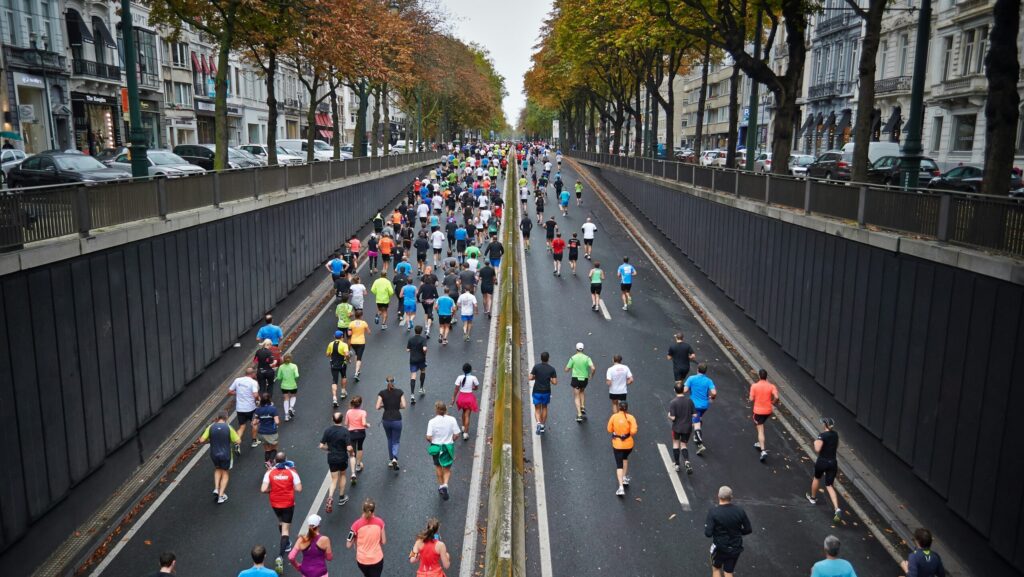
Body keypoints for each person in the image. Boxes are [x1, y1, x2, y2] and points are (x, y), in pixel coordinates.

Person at [704, 486, 752, 577]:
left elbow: (708, 533)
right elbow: (748, 529)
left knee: (716, 569)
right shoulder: (740, 511)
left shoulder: (714, 512)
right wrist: (738, 532)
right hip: (735, 547)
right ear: (731, 497)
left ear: (718, 496)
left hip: (720, 547)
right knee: (728, 572)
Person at [261, 452, 303, 558]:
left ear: (275, 461)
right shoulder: (292, 472)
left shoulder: (269, 472)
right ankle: (280, 555)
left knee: (280, 522)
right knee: (285, 529)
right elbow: (299, 489)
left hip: (275, 502)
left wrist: (271, 490)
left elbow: (263, 489)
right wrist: (288, 487)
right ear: (286, 460)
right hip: (288, 503)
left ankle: (287, 544)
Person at [806, 417, 843, 523]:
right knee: (829, 485)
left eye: (823, 423)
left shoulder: (822, 436)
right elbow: (836, 446)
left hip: (822, 462)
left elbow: (817, 449)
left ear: (825, 425)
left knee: (817, 478)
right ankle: (837, 509)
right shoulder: (835, 435)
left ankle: (813, 498)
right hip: (833, 463)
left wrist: (815, 442)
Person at [200, 411, 238, 504]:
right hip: (226, 454)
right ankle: (221, 496)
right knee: (225, 473)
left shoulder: (211, 427)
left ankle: (216, 489)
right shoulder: (229, 427)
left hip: (214, 454)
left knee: (217, 469)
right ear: (226, 418)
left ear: (217, 418)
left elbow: (201, 440)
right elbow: (238, 440)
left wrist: (210, 441)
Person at [426, 401, 461, 500]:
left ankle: (441, 486)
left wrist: (433, 441)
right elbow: (457, 434)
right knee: (447, 468)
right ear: (445, 409)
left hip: (437, 447)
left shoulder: (432, 422)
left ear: (436, 410)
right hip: (448, 447)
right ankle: (445, 484)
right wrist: (452, 440)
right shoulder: (452, 419)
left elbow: (428, 437)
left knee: (438, 466)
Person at [320, 412, 354, 512]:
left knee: (334, 479)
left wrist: (329, 449)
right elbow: (349, 447)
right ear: (342, 419)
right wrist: (351, 453)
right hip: (342, 457)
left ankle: (330, 497)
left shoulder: (327, 431)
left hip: (332, 457)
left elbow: (321, 445)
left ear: (332, 419)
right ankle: (341, 497)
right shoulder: (345, 431)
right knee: (343, 475)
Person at [684, 363, 716, 454]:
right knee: (699, 418)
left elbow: (685, 390)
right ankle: (696, 436)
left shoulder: (691, 378)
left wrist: (678, 390)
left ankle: (700, 444)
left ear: (697, 369)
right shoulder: (709, 381)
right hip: (704, 405)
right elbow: (714, 392)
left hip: (694, 405)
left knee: (696, 423)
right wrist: (711, 398)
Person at [607, 401, 638, 497]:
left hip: (617, 444)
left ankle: (621, 487)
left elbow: (609, 429)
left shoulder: (614, 417)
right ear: (627, 408)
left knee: (619, 465)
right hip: (628, 445)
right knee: (625, 458)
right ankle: (624, 477)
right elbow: (633, 431)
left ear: (619, 408)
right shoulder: (631, 418)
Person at [349, 499, 386, 577]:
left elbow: (348, 544)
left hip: (362, 560)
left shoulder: (355, 525)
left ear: (363, 509)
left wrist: (355, 538)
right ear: (374, 510)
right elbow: (384, 541)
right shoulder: (380, 522)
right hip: (377, 559)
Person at [749, 369, 780, 462]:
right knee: (760, 426)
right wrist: (773, 402)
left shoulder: (754, 386)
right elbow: (777, 397)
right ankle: (759, 442)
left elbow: (751, 399)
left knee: (760, 430)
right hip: (768, 411)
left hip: (758, 412)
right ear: (766, 376)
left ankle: (762, 450)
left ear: (759, 376)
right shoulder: (771, 386)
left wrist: (754, 397)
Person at [376, 376, 406, 470]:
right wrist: (396, 406)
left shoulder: (382, 393)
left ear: (386, 382)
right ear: (394, 382)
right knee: (396, 440)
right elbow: (404, 405)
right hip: (397, 419)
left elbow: (377, 406)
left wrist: (384, 405)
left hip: (386, 420)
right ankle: (395, 458)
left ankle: (391, 459)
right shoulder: (400, 392)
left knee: (389, 439)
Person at [668, 382, 697, 474]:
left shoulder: (673, 402)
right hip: (687, 427)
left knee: (676, 444)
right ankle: (687, 461)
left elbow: (673, 417)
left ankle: (677, 464)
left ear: (674, 390)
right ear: (683, 389)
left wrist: (669, 415)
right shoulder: (689, 401)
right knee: (684, 445)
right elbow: (695, 414)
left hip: (677, 427)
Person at [229, 368, 260, 450]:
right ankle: (254, 441)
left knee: (242, 426)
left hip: (240, 408)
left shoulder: (237, 380)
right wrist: (257, 400)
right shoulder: (253, 382)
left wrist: (237, 393)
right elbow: (255, 395)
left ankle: (237, 442)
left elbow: (230, 391)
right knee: (254, 423)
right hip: (251, 408)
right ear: (252, 374)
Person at [565, 342, 596, 423]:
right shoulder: (587, 358)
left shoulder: (573, 358)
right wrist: (591, 375)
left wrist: (570, 368)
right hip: (584, 378)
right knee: (582, 391)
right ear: (583, 349)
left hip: (575, 378)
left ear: (576, 348)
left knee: (576, 396)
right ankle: (582, 406)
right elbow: (593, 368)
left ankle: (579, 414)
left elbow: (566, 369)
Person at [529, 352, 558, 435]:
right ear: (548, 358)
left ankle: (538, 423)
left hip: (536, 391)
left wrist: (535, 377)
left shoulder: (536, 367)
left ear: (541, 358)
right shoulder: (551, 369)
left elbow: (530, 377)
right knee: (544, 407)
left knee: (537, 409)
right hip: (546, 392)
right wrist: (550, 379)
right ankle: (542, 425)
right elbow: (555, 382)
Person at [451, 363, 479, 441]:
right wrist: (471, 388)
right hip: (469, 398)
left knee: (463, 412)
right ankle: (465, 433)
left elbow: (456, 389)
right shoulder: (474, 378)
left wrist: (453, 398)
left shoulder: (459, 377)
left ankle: (463, 427)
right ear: (471, 370)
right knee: (467, 415)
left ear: (463, 370)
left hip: (461, 398)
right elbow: (476, 387)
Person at [345, 397, 370, 481]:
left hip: (351, 433)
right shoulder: (363, 412)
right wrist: (367, 425)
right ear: (361, 404)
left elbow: (346, 423)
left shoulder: (348, 412)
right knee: (360, 447)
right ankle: (358, 465)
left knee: (352, 453)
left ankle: (353, 473)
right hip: (361, 433)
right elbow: (363, 423)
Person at [255, 393, 282, 468]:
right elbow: (277, 421)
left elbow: (255, 422)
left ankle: (267, 463)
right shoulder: (273, 409)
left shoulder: (258, 410)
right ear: (270, 399)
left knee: (267, 449)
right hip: (271, 431)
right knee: (274, 447)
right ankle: (270, 462)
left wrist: (261, 419)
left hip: (261, 432)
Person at [326, 330, 352, 407]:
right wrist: (348, 359)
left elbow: (327, 354)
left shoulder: (331, 344)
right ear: (342, 337)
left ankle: (334, 398)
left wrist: (332, 355)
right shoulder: (344, 345)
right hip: (342, 364)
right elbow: (347, 354)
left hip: (333, 364)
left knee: (334, 380)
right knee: (343, 376)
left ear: (334, 336)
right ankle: (343, 392)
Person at [407, 325, 429, 399]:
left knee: (413, 375)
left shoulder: (411, 339)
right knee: (423, 371)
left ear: (415, 331)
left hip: (413, 359)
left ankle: (412, 394)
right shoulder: (423, 339)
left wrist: (412, 349)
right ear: (421, 331)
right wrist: (425, 353)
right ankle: (421, 388)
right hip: (421, 359)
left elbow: (407, 349)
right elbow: (425, 348)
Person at [349, 310, 370, 382]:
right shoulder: (364, 323)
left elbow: (349, 333)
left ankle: (357, 369)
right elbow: (369, 332)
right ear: (361, 316)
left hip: (353, 342)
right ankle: (356, 373)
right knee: (359, 358)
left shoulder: (351, 323)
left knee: (357, 354)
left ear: (355, 316)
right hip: (361, 342)